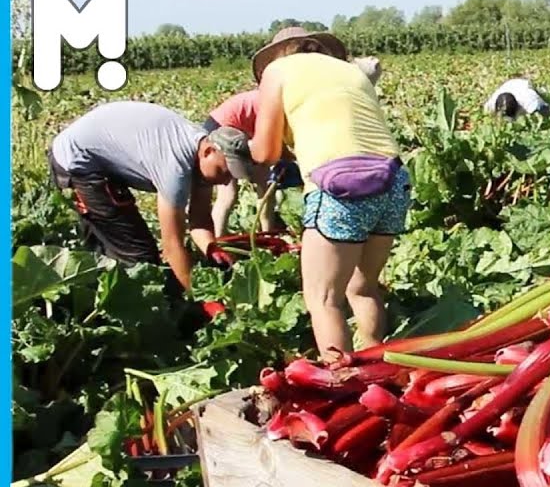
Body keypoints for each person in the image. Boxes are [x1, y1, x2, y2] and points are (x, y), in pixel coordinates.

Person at [248, 27, 409, 362]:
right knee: (362, 287)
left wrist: (246, 147)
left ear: (280, 53)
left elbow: (265, 153)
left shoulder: (277, 72)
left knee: (323, 298)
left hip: (341, 187)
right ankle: (378, 364)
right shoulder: (348, 71)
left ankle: (343, 382)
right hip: (392, 180)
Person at [48, 100, 254, 294]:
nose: (226, 180)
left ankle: (94, 295)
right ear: (208, 151)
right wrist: (201, 298)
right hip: (77, 161)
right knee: (140, 259)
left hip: (97, 158)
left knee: (111, 245)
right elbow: (172, 245)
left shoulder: (203, 155)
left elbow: (199, 219)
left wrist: (211, 248)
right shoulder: (176, 167)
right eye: (224, 171)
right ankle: (136, 315)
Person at [204, 55, 385, 236]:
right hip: (224, 132)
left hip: (240, 131)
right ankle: (221, 239)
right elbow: (270, 142)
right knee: (230, 191)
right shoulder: (282, 98)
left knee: (262, 183)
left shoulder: (290, 95)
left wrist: (291, 160)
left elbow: (277, 139)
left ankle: (264, 232)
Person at [484, 76, 550, 119]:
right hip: (509, 84)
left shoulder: (530, 101)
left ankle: (541, 90)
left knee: (542, 96)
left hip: (523, 84)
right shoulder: (490, 105)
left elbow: (546, 110)